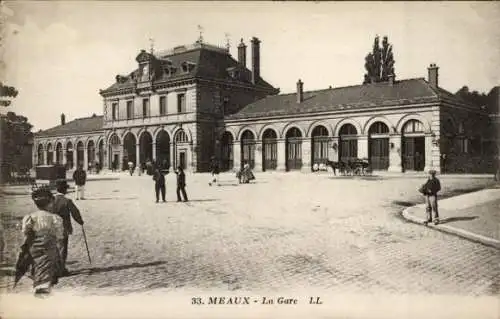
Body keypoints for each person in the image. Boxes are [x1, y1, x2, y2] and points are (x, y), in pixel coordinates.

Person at [21, 187, 65, 295]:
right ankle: (43, 290)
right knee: (47, 268)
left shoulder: (30, 217)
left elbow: (25, 231)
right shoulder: (54, 218)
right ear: (49, 203)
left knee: (37, 266)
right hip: (49, 246)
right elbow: (59, 235)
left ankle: (38, 286)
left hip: (34, 247)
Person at [52, 179, 84, 275]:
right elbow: (75, 213)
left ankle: (53, 268)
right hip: (63, 228)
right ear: (64, 190)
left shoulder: (51, 200)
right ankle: (61, 270)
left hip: (51, 228)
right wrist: (80, 221)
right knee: (62, 249)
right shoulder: (67, 201)